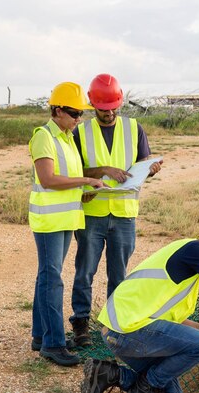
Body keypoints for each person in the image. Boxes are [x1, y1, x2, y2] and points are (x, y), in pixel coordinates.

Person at [80, 223, 199, 393]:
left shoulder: (188, 267)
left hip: (122, 331)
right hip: (125, 332)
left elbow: (172, 319)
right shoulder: (195, 250)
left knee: (170, 389)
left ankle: (111, 375)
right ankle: (138, 384)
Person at [69, 73, 162, 347]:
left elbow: (142, 166)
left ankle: (113, 327)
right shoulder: (80, 132)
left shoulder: (135, 128)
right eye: (102, 109)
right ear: (92, 105)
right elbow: (73, 172)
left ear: (119, 104)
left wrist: (151, 170)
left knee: (119, 275)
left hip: (124, 214)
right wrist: (104, 170)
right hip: (92, 213)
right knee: (85, 271)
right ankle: (81, 323)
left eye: (112, 108)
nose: (107, 114)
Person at [29, 82, 106, 367]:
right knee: (52, 280)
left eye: (81, 114)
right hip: (49, 220)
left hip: (65, 218)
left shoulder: (66, 137)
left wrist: (86, 190)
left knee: (47, 277)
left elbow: (67, 178)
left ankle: (40, 336)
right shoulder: (43, 137)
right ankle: (53, 344)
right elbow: (48, 179)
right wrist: (84, 180)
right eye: (74, 113)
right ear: (57, 110)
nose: (78, 120)